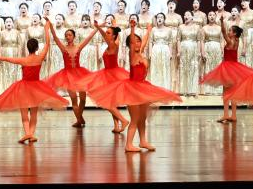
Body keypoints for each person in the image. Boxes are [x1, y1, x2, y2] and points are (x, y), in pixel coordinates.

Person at [87, 16, 183, 152]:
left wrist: (148, 31)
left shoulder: (141, 52)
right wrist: (132, 29)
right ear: (130, 45)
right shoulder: (133, 55)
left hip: (143, 88)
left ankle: (143, 141)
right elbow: (132, 43)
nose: (137, 43)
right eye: (134, 42)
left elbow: (143, 42)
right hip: (132, 89)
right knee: (135, 119)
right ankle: (128, 145)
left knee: (142, 118)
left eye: (139, 41)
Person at [0, 19, 67, 144]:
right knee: (34, 113)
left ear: (27, 48)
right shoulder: (40, 57)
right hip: (37, 88)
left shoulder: (23, 60)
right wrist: (46, 29)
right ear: (37, 48)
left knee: (24, 114)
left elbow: (5, 58)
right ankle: (31, 134)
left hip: (23, 88)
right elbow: (48, 44)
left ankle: (28, 133)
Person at [77, 18, 132, 133]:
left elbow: (106, 36)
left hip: (113, 75)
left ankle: (123, 120)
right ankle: (116, 125)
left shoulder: (113, 45)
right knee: (111, 102)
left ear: (113, 36)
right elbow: (113, 36)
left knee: (106, 102)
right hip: (108, 74)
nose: (106, 34)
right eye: (106, 32)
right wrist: (111, 26)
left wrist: (98, 28)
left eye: (108, 33)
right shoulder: (113, 43)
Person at [202, 17, 253, 123]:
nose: (228, 32)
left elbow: (223, 32)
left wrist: (221, 22)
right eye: (229, 30)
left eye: (230, 30)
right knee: (233, 92)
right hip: (234, 68)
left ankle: (226, 114)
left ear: (234, 34)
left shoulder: (230, 41)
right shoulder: (237, 40)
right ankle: (233, 115)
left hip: (228, 68)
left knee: (226, 92)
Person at [45, 24, 98, 127]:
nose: (67, 37)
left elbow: (89, 37)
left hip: (80, 75)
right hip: (68, 76)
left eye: (69, 35)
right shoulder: (63, 48)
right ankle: (79, 119)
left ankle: (79, 119)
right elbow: (55, 37)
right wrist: (50, 26)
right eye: (66, 35)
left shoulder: (78, 47)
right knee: (74, 99)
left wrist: (98, 28)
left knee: (83, 99)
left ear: (74, 36)